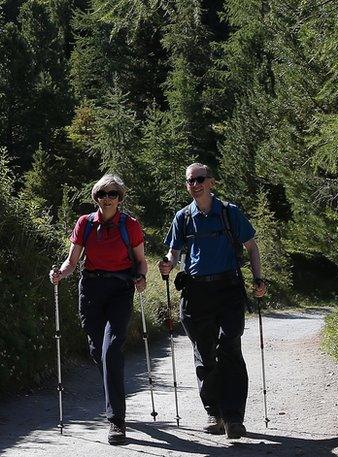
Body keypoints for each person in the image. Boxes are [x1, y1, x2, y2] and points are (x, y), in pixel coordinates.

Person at [158, 162, 267, 440]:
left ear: (211, 182)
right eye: (190, 181)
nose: (194, 185)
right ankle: (214, 412)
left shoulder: (229, 213)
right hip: (196, 293)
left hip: (228, 288)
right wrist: (168, 264)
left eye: (199, 179)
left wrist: (258, 278)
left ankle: (233, 418)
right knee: (205, 353)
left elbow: (251, 246)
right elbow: (174, 251)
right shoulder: (183, 218)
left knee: (230, 347)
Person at [49, 173, 149, 445]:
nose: (107, 199)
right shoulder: (85, 223)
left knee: (111, 349)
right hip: (91, 289)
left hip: (120, 290)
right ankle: (114, 395)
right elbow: (72, 261)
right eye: (103, 194)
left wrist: (141, 278)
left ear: (120, 198)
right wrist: (60, 273)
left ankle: (116, 420)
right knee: (97, 351)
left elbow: (141, 262)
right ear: (96, 197)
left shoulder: (131, 225)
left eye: (113, 194)